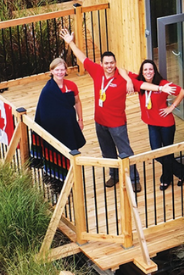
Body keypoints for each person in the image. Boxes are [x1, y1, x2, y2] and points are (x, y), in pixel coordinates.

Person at [60, 28, 174, 193]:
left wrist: (161, 88)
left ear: (115, 63)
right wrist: (70, 42)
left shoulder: (123, 80)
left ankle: (134, 179)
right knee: (107, 152)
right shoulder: (96, 71)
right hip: (100, 122)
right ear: (101, 64)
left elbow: (142, 85)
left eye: (112, 63)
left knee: (125, 151)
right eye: (106, 63)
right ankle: (114, 175)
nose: (109, 66)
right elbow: (82, 57)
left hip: (117, 124)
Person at [129, 60, 184, 191]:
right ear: (142, 72)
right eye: (145, 70)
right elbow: (123, 72)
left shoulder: (163, 84)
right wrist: (128, 82)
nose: (148, 72)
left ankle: (166, 178)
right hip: (151, 123)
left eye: (150, 69)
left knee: (167, 153)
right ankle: (181, 170)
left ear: (154, 71)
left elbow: (182, 92)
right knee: (157, 152)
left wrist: (172, 107)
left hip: (166, 123)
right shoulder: (140, 84)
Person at [31, 58, 86, 191]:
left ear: (66, 71)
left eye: (62, 69)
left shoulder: (72, 85)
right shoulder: (47, 91)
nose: (60, 72)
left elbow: (77, 102)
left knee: (72, 151)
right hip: (54, 129)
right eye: (57, 70)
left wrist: (80, 119)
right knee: (56, 153)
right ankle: (57, 183)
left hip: (69, 125)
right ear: (52, 71)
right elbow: (42, 112)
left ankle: (72, 179)